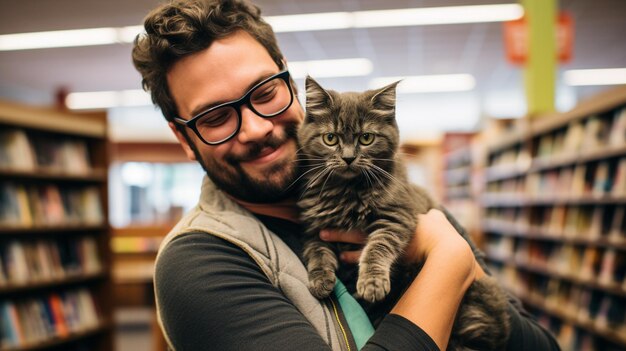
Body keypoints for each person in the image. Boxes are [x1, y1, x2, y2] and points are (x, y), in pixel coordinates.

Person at [132, 0, 561, 350]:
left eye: (265, 93)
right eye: (216, 116)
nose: (257, 128)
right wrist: (449, 259)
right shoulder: (198, 264)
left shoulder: (394, 191)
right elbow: (454, 259)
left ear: (291, 84)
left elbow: (536, 344)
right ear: (184, 138)